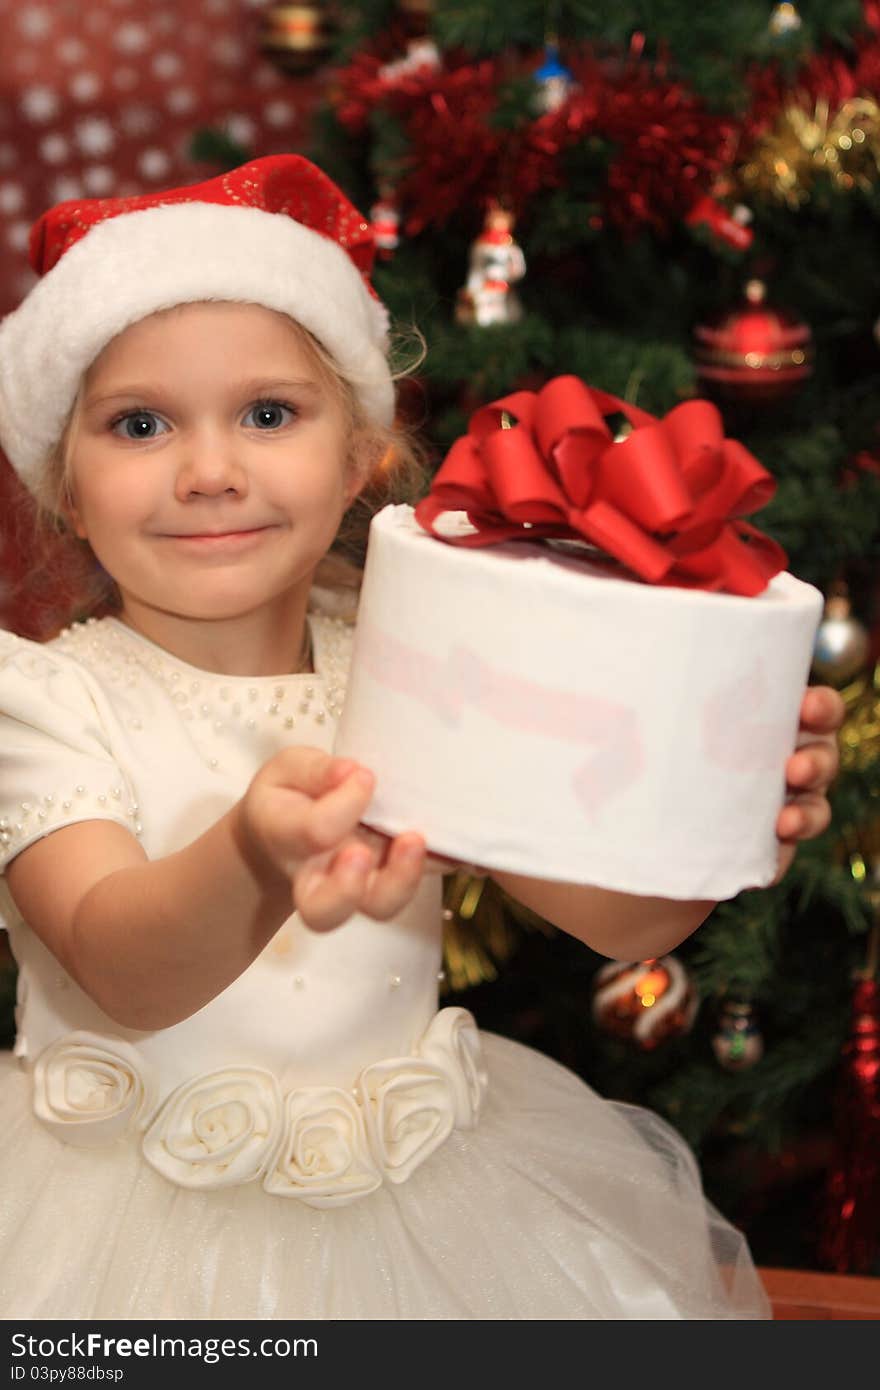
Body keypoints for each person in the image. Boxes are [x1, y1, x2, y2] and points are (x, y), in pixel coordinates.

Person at [0, 156, 844, 1321]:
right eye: (139, 424)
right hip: (117, 1236)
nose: (209, 471)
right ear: (63, 484)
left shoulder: (409, 671)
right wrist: (256, 853)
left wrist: (717, 810)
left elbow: (615, 919)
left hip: (416, 1215)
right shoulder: (42, 699)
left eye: (267, 413)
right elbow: (119, 963)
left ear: (358, 457)